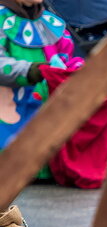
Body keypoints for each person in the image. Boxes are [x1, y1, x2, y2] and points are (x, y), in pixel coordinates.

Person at [0, 0, 74, 153]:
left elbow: (66, 58)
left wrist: (76, 68)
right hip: (9, 127)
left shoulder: (53, 23)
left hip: (49, 124)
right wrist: (33, 70)